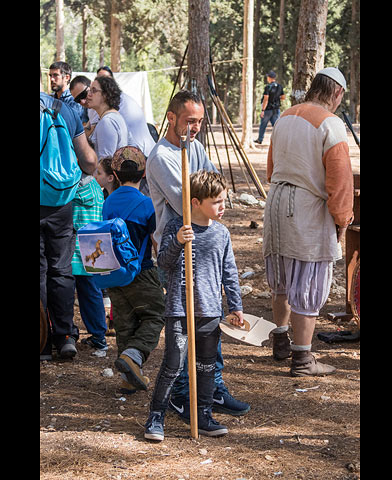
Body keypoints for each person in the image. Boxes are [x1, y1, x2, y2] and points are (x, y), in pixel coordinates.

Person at [146, 90, 250, 421]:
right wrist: (203, 197)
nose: (196, 127)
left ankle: (212, 390)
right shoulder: (162, 157)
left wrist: (210, 198)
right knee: (180, 336)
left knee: (209, 328)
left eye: (200, 121)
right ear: (171, 118)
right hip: (177, 252)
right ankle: (179, 396)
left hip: (206, 246)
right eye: (190, 121)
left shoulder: (197, 147)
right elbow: (187, 205)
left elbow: (213, 188)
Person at [263, 66, 353, 376]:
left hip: (276, 202)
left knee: (283, 278)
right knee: (308, 279)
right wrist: (342, 221)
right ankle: (302, 359)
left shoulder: (286, 116)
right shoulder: (332, 124)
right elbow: (339, 182)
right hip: (306, 209)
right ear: (337, 93)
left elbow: (271, 167)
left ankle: (281, 339)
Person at [144, 170, 244, 441]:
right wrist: (178, 241)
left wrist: (236, 305)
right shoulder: (178, 227)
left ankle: (203, 414)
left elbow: (229, 272)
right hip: (180, 309)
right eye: (216, 202)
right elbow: (163, 264)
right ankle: (156, 416)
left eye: (224, 200)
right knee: (173, 365)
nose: (223, 207)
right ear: (196, 202)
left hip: (210, 311)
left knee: (206, 367)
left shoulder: (222, 233)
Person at [40, 84, 98, 361]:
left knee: (39, 271)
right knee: (61, 268)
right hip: (62, 199)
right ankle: (64, 336)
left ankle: (42, 342)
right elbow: (88, 160)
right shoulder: (64, 109)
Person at [102, 146, 166, 394]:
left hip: (114, 274)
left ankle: (129, 379)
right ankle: (134, 355)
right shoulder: (146, 204)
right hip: (142, 271)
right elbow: (155, 240)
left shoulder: (107, 203)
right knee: (155, 315)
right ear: (144, 173)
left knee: (125, 324)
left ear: (115, 175)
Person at [71, 156, 109, 357]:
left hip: (74, 248)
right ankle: (99, 336)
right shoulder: (95, 188)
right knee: (92, 295)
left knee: (66, 294)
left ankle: (67, 334)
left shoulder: (71, 190)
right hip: (94, 247)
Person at [83, 76, 130, 160]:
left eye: (93, 91)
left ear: (105, 95)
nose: (88, 95)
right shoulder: (112, 117)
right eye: (89, 90)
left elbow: (105, 162)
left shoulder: (107, 122)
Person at [254, 70, 285, 145]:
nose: (267, 78)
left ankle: (260, 139)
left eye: (268, 77)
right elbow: (283, 97)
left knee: (263, 125)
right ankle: (280, 140)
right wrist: (276, 98)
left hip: (268, 110)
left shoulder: (268, 87)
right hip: (276, 109)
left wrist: (263, 110)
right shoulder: (280, 86)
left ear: (270, 78)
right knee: (276, 126)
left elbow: (266, 99)